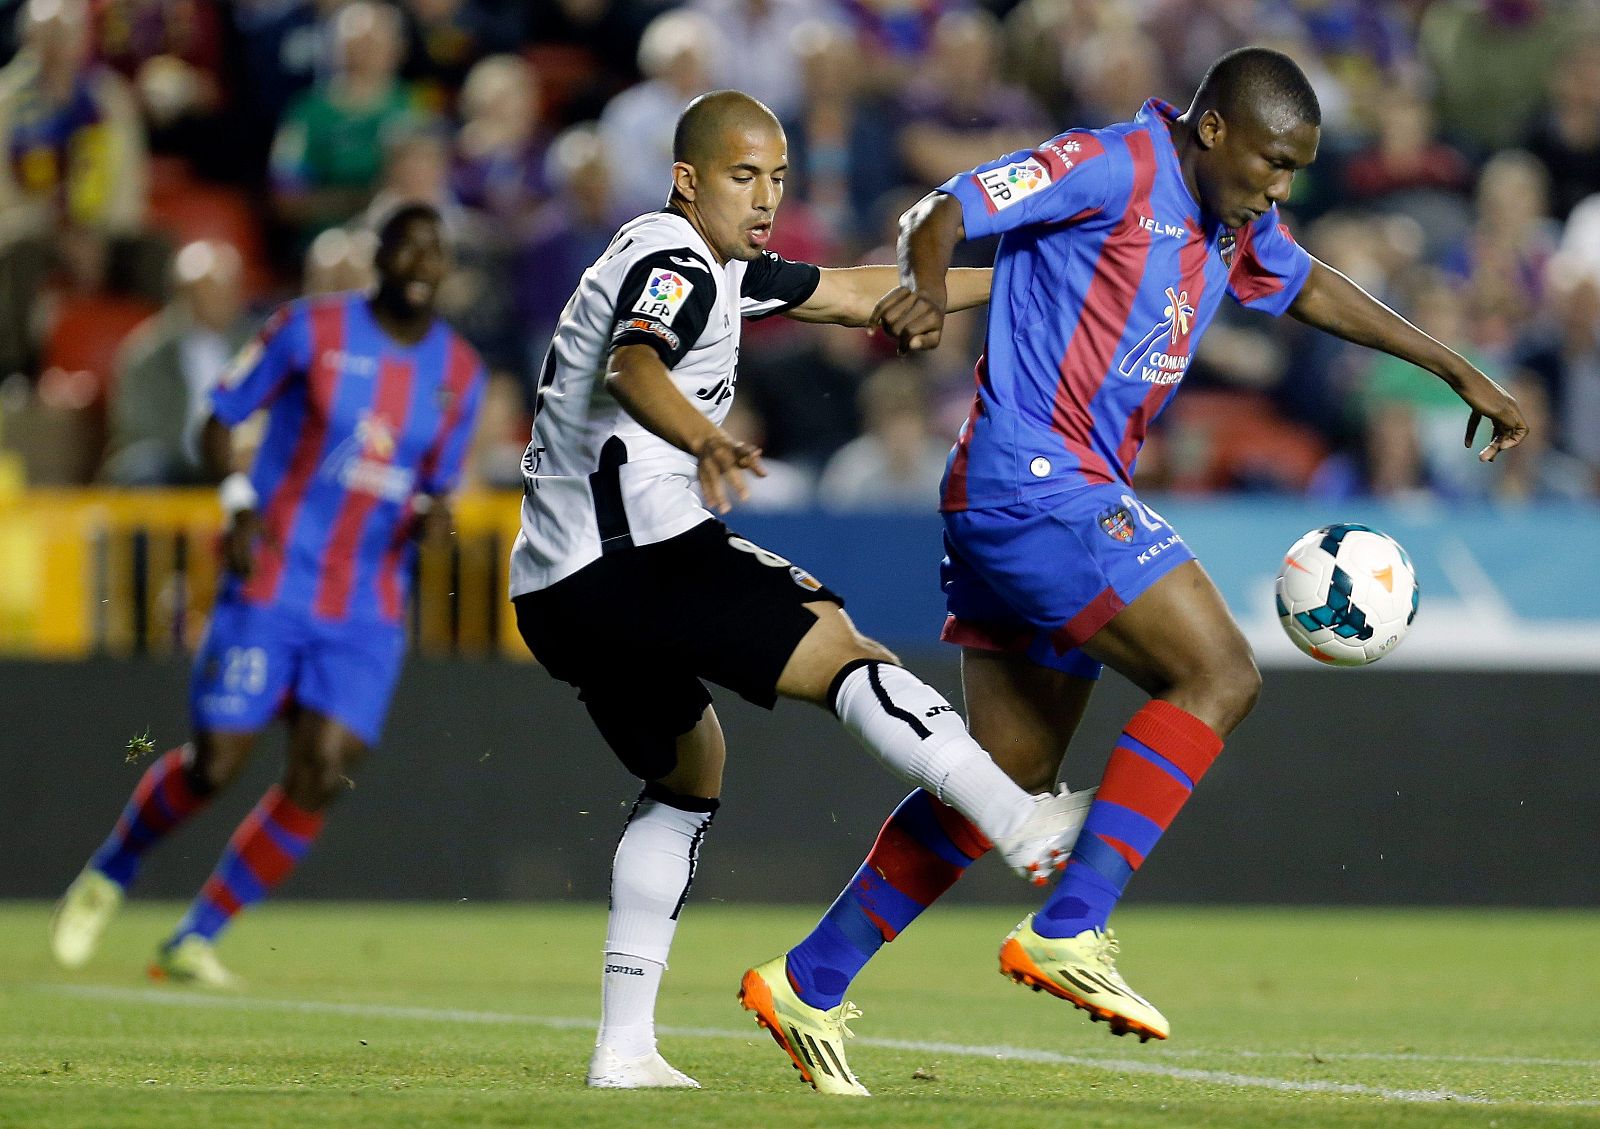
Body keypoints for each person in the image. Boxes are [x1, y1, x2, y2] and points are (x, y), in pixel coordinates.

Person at [747, 46, 1529, 1095]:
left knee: (1008, 776)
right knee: (1220, 673)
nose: (1279, 188)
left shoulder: (1233, 223)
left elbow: (1313, 290)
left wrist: (1456, 367)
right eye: (1270, 162)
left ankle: (809, 978)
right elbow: (939, 210)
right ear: (1214, 131)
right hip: (1037, 481)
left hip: (1025, 492)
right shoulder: (1109, 165)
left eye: (1296, 170)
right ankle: (1073, 922)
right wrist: (925, 294)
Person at [509, 89, 1092, 1094]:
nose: (766, 197)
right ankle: (1017, 816)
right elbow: (636, 360)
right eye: (743, 177)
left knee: (691, 770)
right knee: (841, 645)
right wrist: (703, 440)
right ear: (687, 179)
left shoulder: (707, 266)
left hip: (554, 587)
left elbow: (851, 290)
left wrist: (1018, 275)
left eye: (777, 177)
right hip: (635, 552)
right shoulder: (676, 262)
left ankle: (623, 1047)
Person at [49, 204, 487, 987]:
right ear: (379, 257)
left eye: (436, 253)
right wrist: (238, 500)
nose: (423, 264)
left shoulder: (460, 373)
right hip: (277, 577)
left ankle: (196, 935)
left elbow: (435, 488)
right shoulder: (308, 329)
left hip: (366, 606)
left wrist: (433, 519)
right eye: (408, 249)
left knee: (322, 770)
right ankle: (111, 870)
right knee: (214, 762)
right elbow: (220, 419)